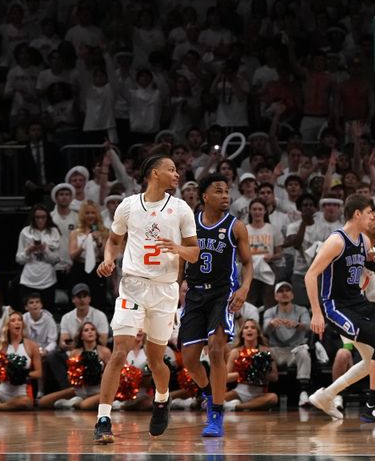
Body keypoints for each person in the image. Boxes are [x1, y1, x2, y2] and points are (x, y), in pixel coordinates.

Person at [93, 155, 198, 444]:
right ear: (154, 174)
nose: (177, 175)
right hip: (133, 286)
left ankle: (162, 400)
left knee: (155, 359)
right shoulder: (128, 206)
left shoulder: (180, 209)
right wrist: (108, 260)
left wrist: (175, 246)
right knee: (120, 351)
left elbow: (194, 253)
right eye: (172, 170)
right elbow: (114, 240)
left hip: (165, 291)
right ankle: (103, 418)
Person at [305, 194, 375, 423]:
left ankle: (327, 395)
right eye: (369, 214)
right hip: (336, 307)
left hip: (359, 304)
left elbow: (372, 264)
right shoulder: (336, 241)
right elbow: (310, 275)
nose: (373, 217)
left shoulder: (365, 242)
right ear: (357, 214)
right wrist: (317, 313)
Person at [179, 173, 253, 438]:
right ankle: (210, 394)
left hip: (223, 294)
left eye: (227, 191)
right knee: (188, 360)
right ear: (204, 197)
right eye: (219, 191)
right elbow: (181, 259)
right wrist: (178, 287)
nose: (225, 196)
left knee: (216, 347)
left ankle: (216, 414)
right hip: (195, 294)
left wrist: (244, 288)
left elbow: (247, 263)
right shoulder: (189, 225)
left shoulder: (236, 226)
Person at [38, 321, 111, 410]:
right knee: (43, 402)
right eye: (86, 330)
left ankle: (72, 404)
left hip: (98, 390)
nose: (90, 332)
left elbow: (111, 375)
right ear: (81, 336)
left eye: (92, 329)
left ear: (96, 334)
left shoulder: (104, 351)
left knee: (84, 406)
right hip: (79, 390)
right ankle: (74, 402)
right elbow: (70, 376)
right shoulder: (75, 353)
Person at [263, 282, 312, 406]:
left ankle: (303, 392)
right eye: (281, 291)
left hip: (295, 350)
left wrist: (297, 325)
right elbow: (264, 331)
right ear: (275, 296)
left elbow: (308, 327)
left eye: (287, 290)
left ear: (292, 294)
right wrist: (271, 324)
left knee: (303, 352)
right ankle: (262, 390)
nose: (284, 293)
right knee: (264, 352)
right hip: (277, 350)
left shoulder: (301, 310)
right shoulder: (270, 312)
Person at [223, 319, 279, 411]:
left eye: (253, 328)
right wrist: (243, 373)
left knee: (273, 398)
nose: (249, 330)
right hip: (239, 392)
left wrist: (261, 373)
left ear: (257, 333)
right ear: (242, 334)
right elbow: (225, 378)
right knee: (211, 401)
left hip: (260, 393)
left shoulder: (266, 351)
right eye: (246, 328)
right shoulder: (235, 352)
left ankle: (235, 407)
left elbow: (275, 377)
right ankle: (248, 405)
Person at [15, 205, 61, 310]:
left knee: (47, 314)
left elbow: (56, 259)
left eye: (43, 217)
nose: (40, 220)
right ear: (33, 218)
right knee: (28, 314)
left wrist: (45, 250)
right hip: (28, 280)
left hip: (48, 281)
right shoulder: (25, 232)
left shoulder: (54, 232)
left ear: (47, 217)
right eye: (37, 217)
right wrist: (28, 251)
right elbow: (19, 259)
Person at [69, 200, 110, 312]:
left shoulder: (104, 232)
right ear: (83, 215)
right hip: (79, 268)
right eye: (87, 213)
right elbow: (72, 255)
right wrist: (83, 245)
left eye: (93, 213)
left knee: (98, 300)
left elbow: (105, 256)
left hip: (97, 269)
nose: (90, 216)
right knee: (79, 297)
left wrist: (99, 242)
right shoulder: (75, 233)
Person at [21, 292, 57, 397]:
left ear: (41, 305)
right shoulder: (23, 319)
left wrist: (45, 350)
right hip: (28, 350)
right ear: (26, 307)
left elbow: (53, 341)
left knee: (43, 360)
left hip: (44, 350)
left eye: (37, 302)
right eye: (31, 303)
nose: (35, 305)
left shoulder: (49, 319)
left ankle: (40, 391)